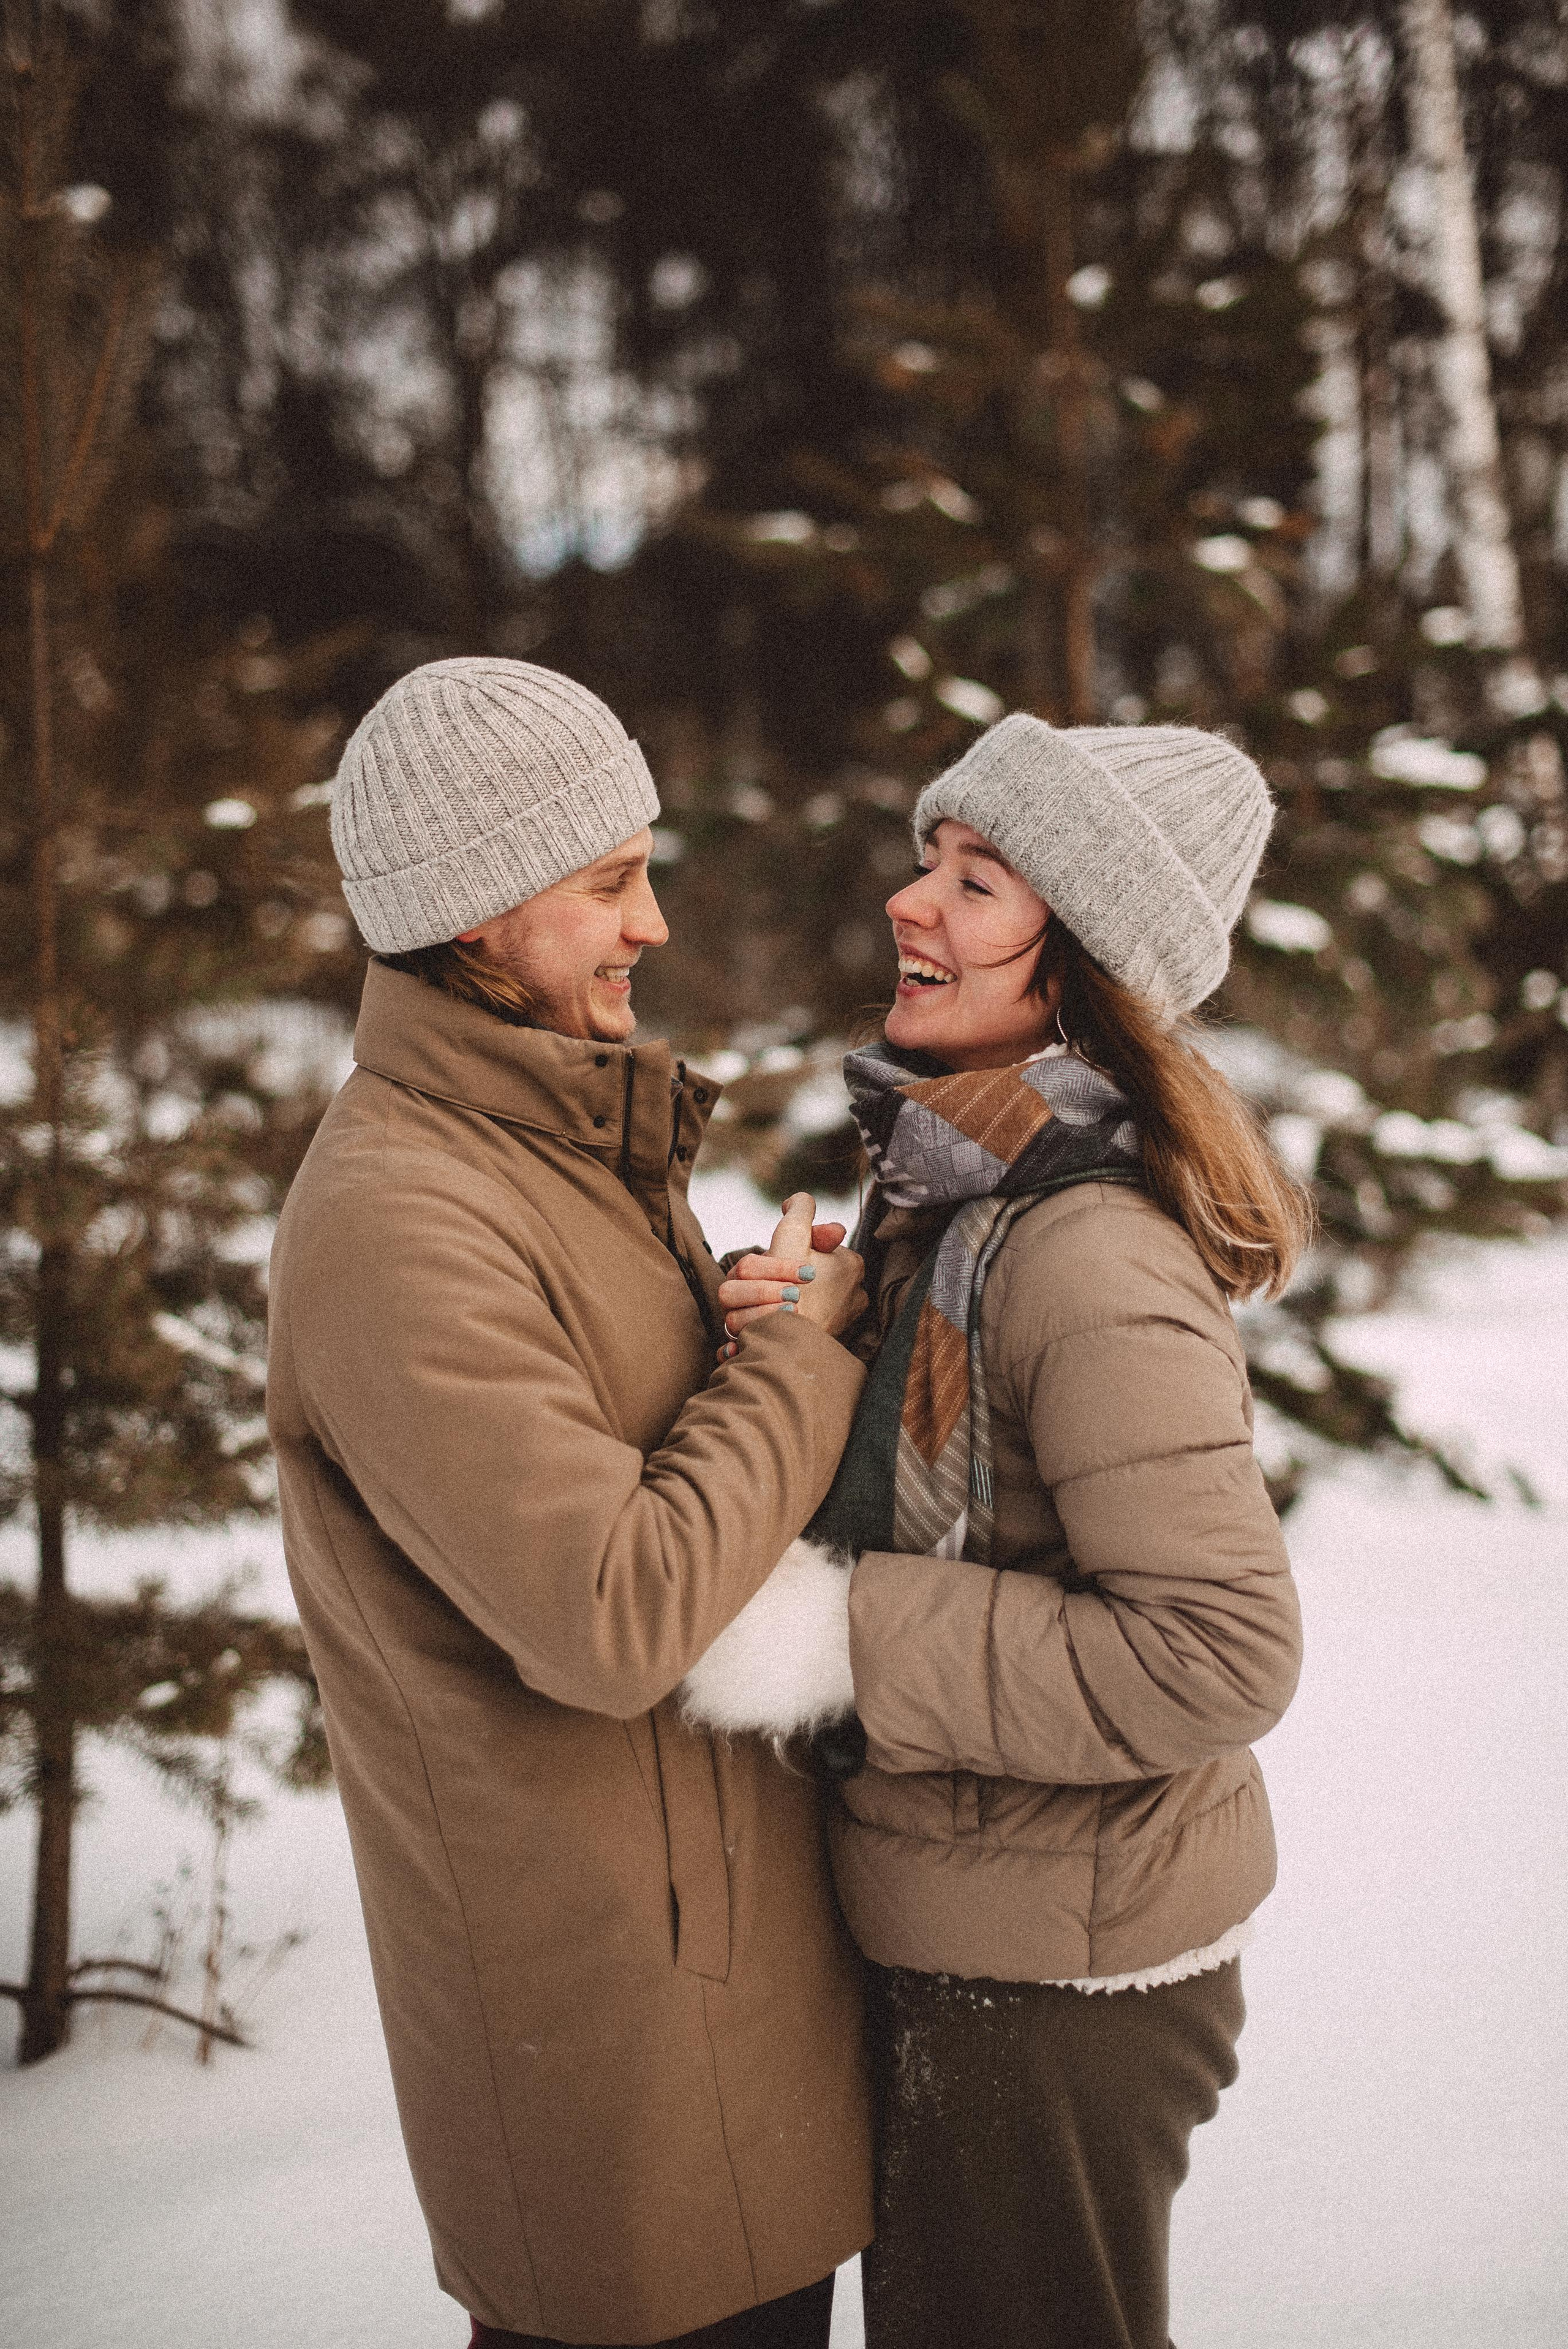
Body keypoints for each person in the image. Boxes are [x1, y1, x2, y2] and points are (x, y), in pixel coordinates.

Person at [681, 713, 1309, 2349]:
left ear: (1082, 960)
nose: (912, 900)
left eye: (978, 879)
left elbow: (1216, 1651)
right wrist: (816, 1347)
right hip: (977, 1932)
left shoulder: (1079, 1247)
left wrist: (837, 1635)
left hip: (1059, 1988)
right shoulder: (950, 1198)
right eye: (928, 859)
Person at [266, 658, 873, 2349]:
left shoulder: (549, 1144)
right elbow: (611, 1613)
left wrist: (747, 1322)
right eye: (610, 880)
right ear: (476, 916)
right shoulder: (402, 1216)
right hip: (614, 2066)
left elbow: (646, 1461)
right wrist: (801, 1365)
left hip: (724, 2013)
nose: (654, 924)